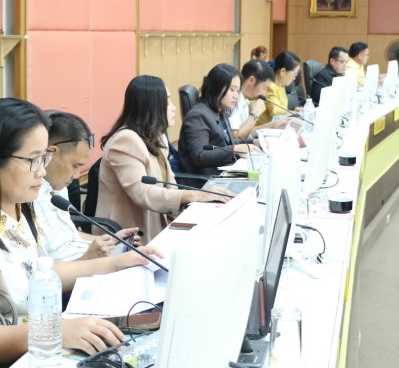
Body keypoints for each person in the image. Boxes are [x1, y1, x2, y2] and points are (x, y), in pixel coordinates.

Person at [0, 98, 162, 366]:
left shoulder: (18, 210)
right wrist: (54, 332)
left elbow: (42, 272)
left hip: (38, 351)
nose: (42, 171)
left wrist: (120, 262)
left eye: (44, 158)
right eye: (33, 160)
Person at [96, 75, 233, 242]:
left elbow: (170, 186)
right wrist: (193, 195)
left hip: (158, 224)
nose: (174, 108)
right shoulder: (125, 140)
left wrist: (200, 200)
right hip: (128, 236)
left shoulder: (156, 137)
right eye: (168, 101)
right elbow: (143, 193)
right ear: (152, 106)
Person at [33, 110, 141, 261]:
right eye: (75, 166)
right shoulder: (28, 195)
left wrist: (110, 240)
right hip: (75, 270)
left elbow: (69, 236)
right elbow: (42, 267)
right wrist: (87, 259)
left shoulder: (58, 186)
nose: (77, 175)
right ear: (52, 154)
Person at [178, 63, 248, 176]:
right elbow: (199, 156)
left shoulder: (220, 111)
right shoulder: (198, 116)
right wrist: (235, 149)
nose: (236, 96)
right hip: (207, 180)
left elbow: (224, 144)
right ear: (216, 88)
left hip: (222, 173)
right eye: (232, 90)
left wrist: (252, 143)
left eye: (237, 91)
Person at [229, 59, 280, 142]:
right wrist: (255, 114)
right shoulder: (233, 99)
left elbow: (246, 132)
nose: (264, 94)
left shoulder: (245, 99)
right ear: (251, 80)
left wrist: (273, 124)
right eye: (265, 88)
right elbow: (236, 138)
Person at [258, 51, 302, 126]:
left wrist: (292, 112)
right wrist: (291, 112)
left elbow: (281, 110)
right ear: (283, 71)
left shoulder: (281, 86)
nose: (294, 78)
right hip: (263, 129)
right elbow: (275, 111)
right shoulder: (270, 86)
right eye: (294, 74)